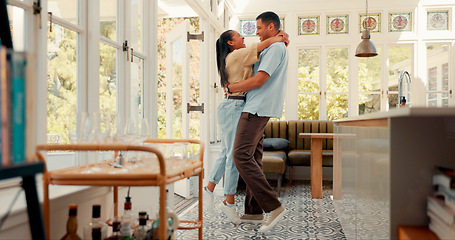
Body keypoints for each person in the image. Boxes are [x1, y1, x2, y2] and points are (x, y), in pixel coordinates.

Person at [204, 29, 288, 224]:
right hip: (233, 105)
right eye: (238, 35)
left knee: (227, 152)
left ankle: (209, 189)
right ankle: (229, 202)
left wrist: (282, 40)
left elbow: (264, 54)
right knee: (234, 155)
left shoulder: (240, 56)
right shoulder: (236, 55)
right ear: (230, 43)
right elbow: (261, 46)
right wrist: (278, 38)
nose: (243, 37)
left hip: (234, 104)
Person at [225, 11, 289, 233]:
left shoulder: (276, 48)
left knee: (240, 154)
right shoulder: (275, 45)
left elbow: (260, 80)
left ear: (271, 27)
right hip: (260, 107)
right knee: (253, 156)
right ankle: (253, 211)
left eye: (259, 28)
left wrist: (231, 88)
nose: (257, 33)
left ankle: (273, 205)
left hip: (256, 107)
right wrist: (280, 36)